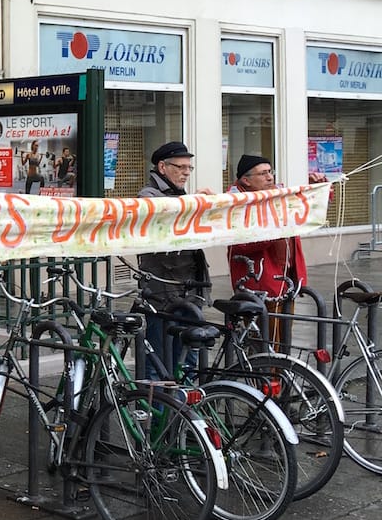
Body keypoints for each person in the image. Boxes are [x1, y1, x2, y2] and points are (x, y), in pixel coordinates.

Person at [226, 154, 328, 352]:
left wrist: (319, 190)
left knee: (282, 343)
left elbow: (307, 208)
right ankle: (264, 381)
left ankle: (279, 380)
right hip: (260, 284)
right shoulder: (237, 204)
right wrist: (279, 228)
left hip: (285, 281)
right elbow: (242, 244)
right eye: (263, 174)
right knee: (265, 346)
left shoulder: (276, 196)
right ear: (246, 180)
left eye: (270, 172)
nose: (270, 177)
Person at [138, 141, 213, 382]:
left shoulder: (183, 198)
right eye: (180, 167)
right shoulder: (149, 195)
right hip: (163, 294)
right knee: (159, 361)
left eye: (189, 168)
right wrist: (195, 203)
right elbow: (163, 214)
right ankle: (157, 413)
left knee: (188, 359)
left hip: (189, 291)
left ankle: (184, 414)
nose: (186, 173)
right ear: (162, 167)